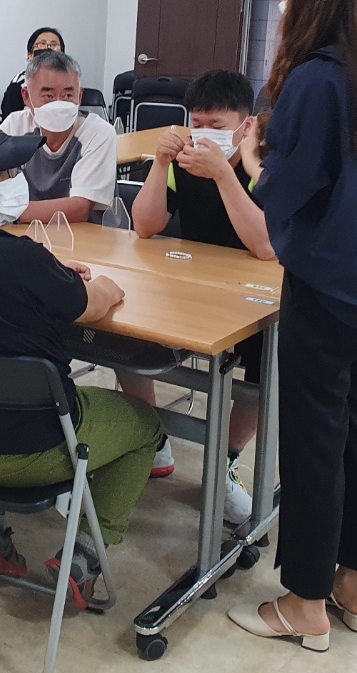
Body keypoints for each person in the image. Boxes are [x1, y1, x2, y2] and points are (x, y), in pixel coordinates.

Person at [227, 0, 357, 651]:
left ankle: (304, 601)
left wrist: (251, 156)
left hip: (328, 286)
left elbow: (283, 193)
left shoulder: (314, 79)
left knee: (313, 441)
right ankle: (352, 583)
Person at [0, 119, 161, 608]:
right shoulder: (21, 259)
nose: (13, 180)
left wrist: (52, 277)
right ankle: (84, 555)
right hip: (34, 452)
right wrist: (101, 286)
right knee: (146, 425)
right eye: (1, 174)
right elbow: (93, 304)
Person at [128, 69, 273, 525]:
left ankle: (224, 461)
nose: (206, 133)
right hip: (188, 287)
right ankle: (151, 438)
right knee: (121, 327)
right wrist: (160, 164)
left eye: (218, 124)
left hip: (253, 295)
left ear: (246, 125)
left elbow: (265, 245)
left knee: (269, 360)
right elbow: (145, 225)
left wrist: (224, 175)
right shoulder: (184, 163)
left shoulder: (265, 166)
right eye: (198, 122)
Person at [0, 50, 116, 223]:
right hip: (22, 232)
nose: (58, 104)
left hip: (82, 235)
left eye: (67, 95)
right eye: (48, 96)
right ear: (26, 97)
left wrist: (6, 211)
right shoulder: (14, 127)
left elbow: (80, 209)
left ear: (79, 96)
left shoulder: (98, 132)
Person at [0, 26, 65, 119]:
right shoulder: (19, 85)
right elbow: (8, 122)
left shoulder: (69, 81)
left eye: (54, 45)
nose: (48, 49)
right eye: (41, 44)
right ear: (30, 55)